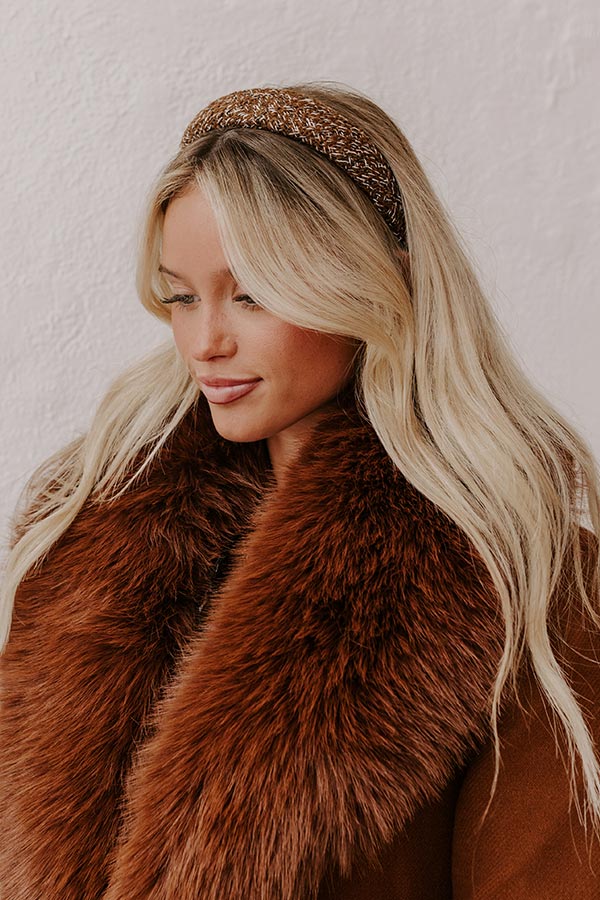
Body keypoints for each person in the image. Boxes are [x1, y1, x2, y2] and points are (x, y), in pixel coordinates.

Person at [0, 82, 599, 900]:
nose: (205, 341)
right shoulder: (84, 537)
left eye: (253, 293)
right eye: (182, 296)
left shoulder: (523, 576)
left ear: (376, 285)